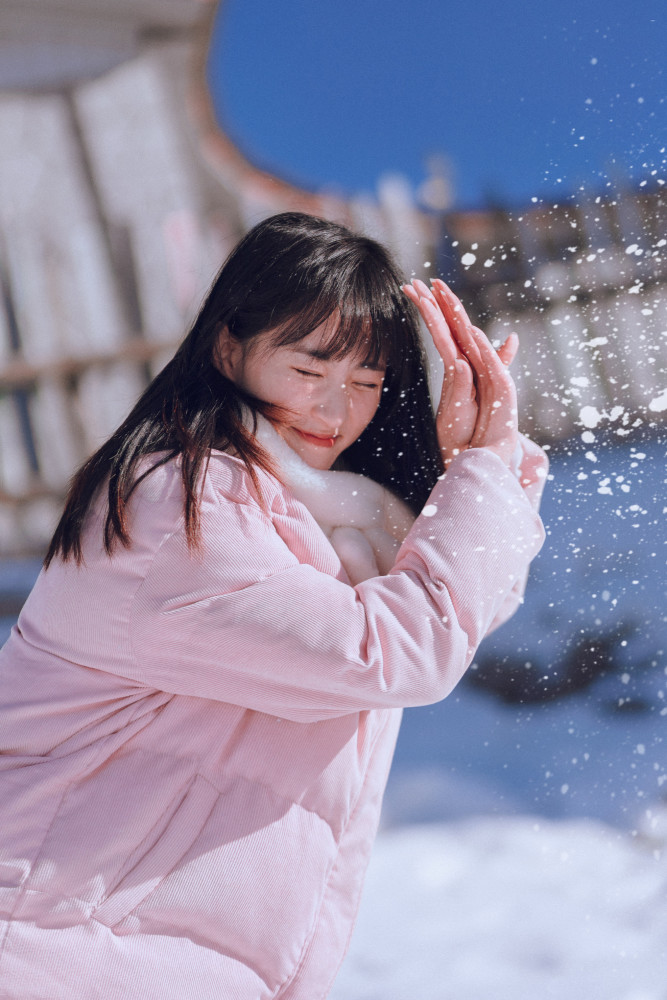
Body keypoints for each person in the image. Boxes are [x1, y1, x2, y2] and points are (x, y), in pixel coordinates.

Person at [0, 212, 547, 999]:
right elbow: (398, 652)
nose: (334, 410)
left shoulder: (332, 522)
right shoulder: (179, 506)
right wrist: (483, 477)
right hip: (52, 959)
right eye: (309, 369)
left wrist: (475, 471)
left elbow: (458, 608)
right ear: (231, 348)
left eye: (364, 383)